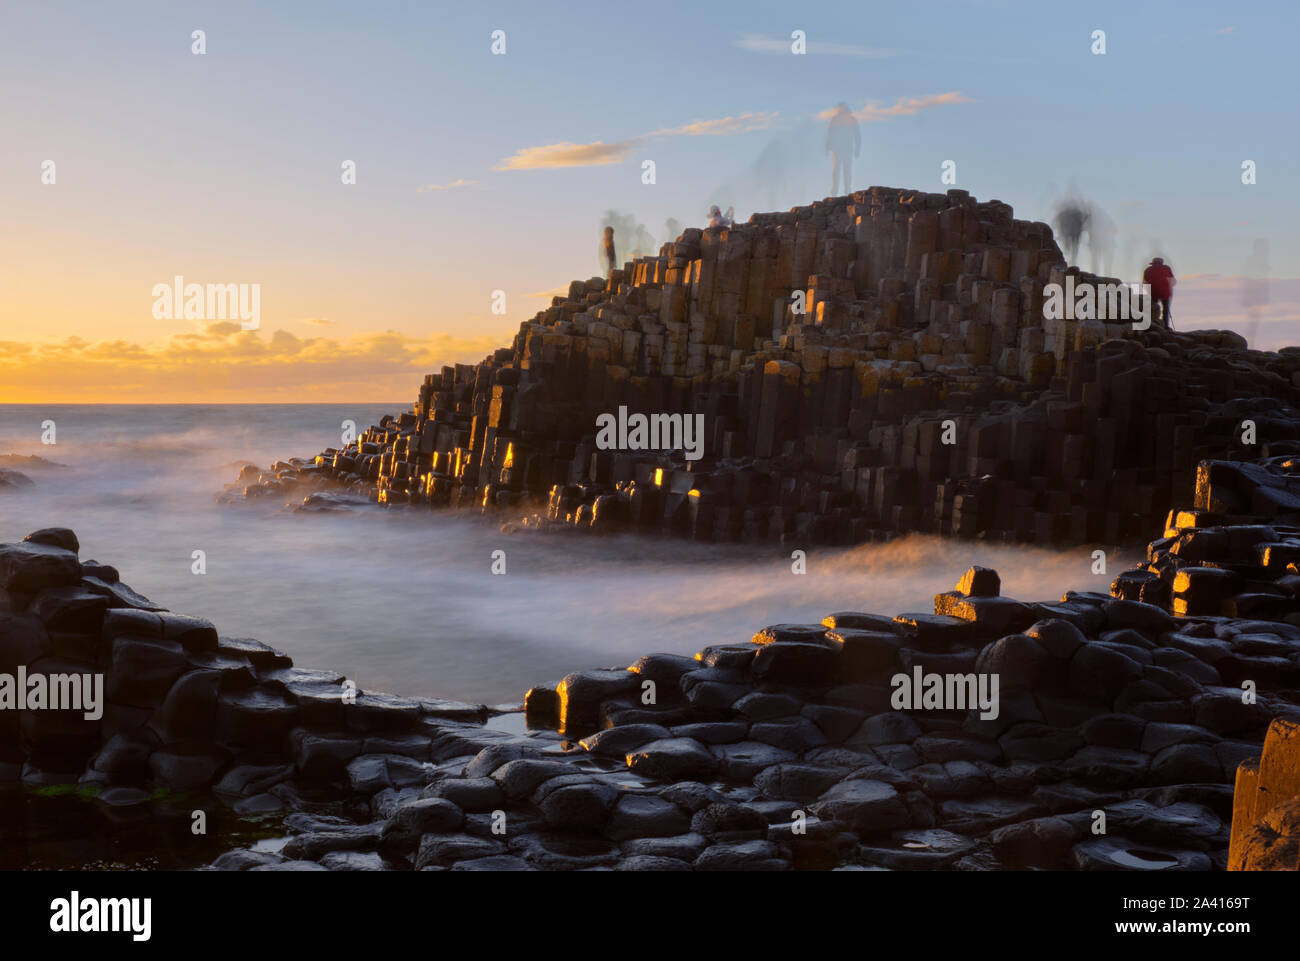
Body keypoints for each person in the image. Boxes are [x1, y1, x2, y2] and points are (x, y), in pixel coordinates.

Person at [825, 103, 860, 196]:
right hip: (839, 149)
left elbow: (857, 135)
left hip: (845, 149)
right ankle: (836, 192)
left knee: (844, 170)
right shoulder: (836, 120)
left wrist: (857, 148)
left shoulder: (850, 120)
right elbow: (830, 134)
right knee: (839, 170)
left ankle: (846, 190)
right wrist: (827, 146)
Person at [1143, 256, 1176, 329]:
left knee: (1153, 308)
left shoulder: (1148, 270)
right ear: (1162, 263)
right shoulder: (1166, 268)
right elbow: (1173, 281)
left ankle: (1153, 324)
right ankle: (1165, 326)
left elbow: (1145, 283)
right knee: (1166, 310)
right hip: (1165, 292)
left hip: (1153, 292)